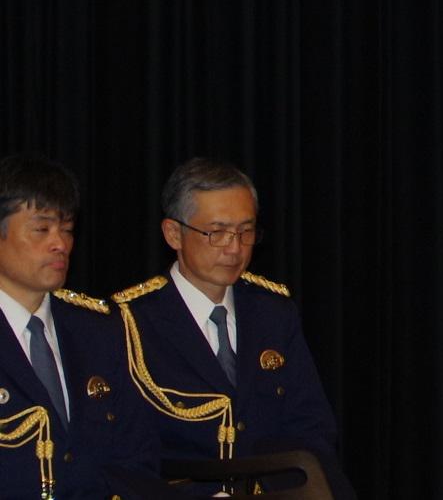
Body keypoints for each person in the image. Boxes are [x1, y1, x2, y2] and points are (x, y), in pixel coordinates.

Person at [113, 159, 353, 499]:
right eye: (217, 232)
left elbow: (311, 427)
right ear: (173, 234)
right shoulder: (130, 322)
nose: (235, 248)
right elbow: (126, 455)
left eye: (246, 231)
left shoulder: (272, 311)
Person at [0, 155, 159, 500]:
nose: (60, 244)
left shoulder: (98, 331)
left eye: (67, 230)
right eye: (41, 229)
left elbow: (136, 455)